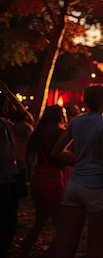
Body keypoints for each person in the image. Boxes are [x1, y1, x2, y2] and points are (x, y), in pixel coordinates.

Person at [52, 84, 103, 258]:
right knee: (95, 247)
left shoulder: (76, 121)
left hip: (74, 186)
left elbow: (57, 151)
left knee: (68, 245)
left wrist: (81, 160)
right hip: (98, 189)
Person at [19, 105, 69, 258]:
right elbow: (65, 156)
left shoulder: (38, 133)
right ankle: (51, 254)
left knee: (40, 220)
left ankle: (24, 251)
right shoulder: (60, 134)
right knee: (62, 226)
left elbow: (29, 155)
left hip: (38, 177)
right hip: (52, 179)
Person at [0, 92, 20, 257]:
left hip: (6, 177)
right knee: (8, 221)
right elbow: (26, 117)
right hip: (4, 178)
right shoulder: (2, 125)